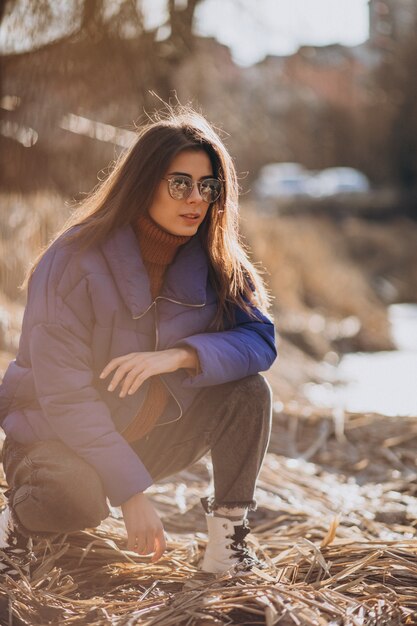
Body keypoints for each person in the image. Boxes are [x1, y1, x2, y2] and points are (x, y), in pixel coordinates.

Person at [0, 106, 277, 578]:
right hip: (53, 439)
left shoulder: (217, 262)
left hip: (144, 437)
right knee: (79, 499)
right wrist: (130, 495)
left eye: (208, 187)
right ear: (144, 181)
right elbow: (64, 397)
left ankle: (226, 547)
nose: (196, 199)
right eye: (180, 184)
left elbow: (259, 339)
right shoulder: (73, 259)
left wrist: (180, 355)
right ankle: (15, 527)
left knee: (248, 392)